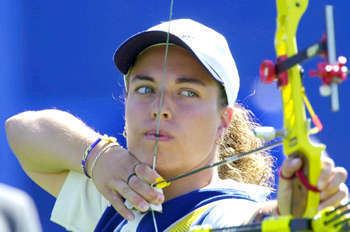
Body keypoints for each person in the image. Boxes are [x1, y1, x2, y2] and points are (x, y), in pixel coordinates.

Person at [5, 19, 348, 231]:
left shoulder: (228, 209)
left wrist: (282, 217)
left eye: (187, 92)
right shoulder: (116, 202)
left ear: (223, 121)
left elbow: (239, 220)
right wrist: (100, 158)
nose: (160, 108)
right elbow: (22, 130)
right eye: (145, 89)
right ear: (125, 103)